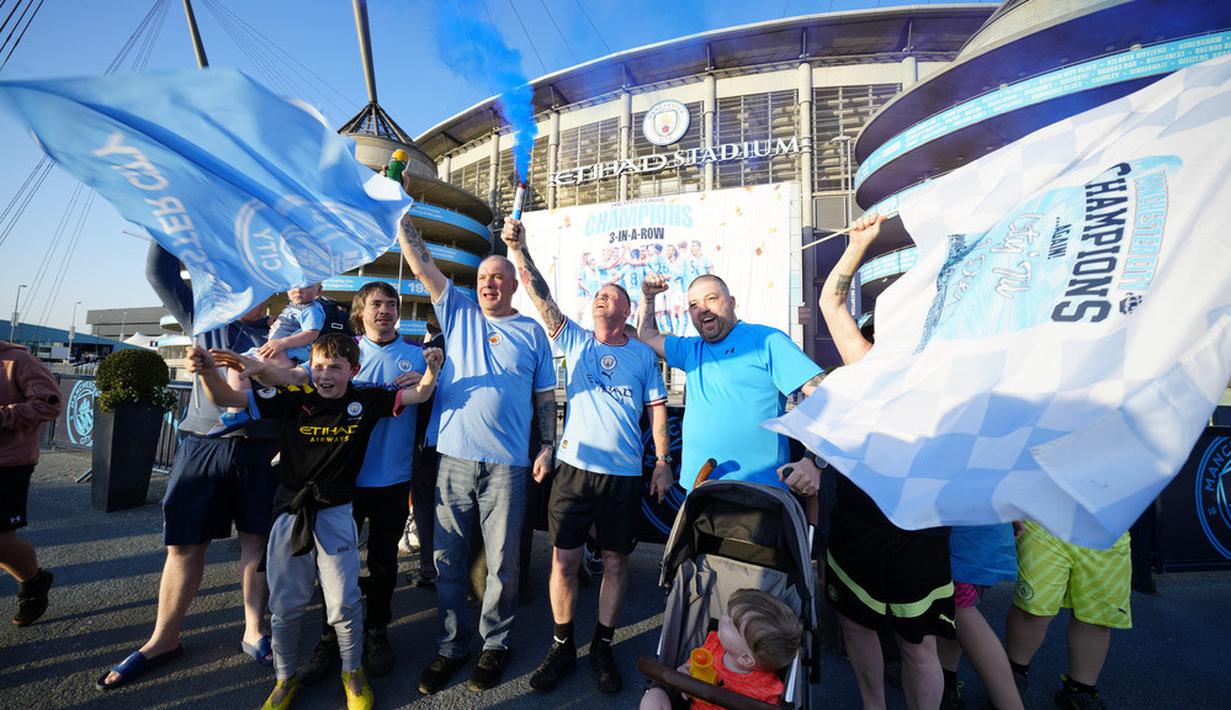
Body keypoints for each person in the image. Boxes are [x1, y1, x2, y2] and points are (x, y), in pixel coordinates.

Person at [188, 334, 441, 710]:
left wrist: (432, 370)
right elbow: (226, 399)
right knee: (287, 605)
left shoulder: (366, 400)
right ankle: (284, 678)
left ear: (352, 371)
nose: (325, 375)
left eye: (335, 368)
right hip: (290, 511)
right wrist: (209, 373)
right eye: (319, 367)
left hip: (338, 514)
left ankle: (352, 673)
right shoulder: (293, 400)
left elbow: (418, 395)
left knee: (344, 603)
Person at [98, 244, 281, 690]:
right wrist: (171, 200)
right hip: (203, 445)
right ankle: (164, 638)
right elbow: (158, 269)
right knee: (183, 545)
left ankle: (254, 631)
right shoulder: (206, 317)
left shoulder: (291, 331)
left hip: (263, 450)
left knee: (256, 544)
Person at [501, 218, 672, 694]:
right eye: (598, 293)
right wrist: (520, 250)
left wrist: (661, 461)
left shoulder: (641, 355)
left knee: (616, 563)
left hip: (622, 476)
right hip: (574, 472)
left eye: (612, 294)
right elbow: (539, 296)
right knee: (562, 562)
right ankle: (561, 645)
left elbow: (657, 415)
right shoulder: (573, 339)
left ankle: (601, 644)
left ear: (625, 309)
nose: (602, 297)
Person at [396, 209, 557, 694]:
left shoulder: (531, 333)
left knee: (504, 565)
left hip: (509, 466)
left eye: (498, 278)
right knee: (448, 559)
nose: (489, 284)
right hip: (454, 461)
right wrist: (398, 210)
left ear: (511, 285)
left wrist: (548, 444)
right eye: (483, 278)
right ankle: (451, 646)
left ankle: (495, 646)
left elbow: (544, 397)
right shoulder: (458, 310)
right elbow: (422, 263)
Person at [817, 212, 955, 710]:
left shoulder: (949, 368)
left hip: (919, 524)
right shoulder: (869, 363)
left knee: (918, 645)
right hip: (860, 518)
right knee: (856, 625)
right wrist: (858, 245)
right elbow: (830, 302)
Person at [636, 272, 824, 498]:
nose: (703, 308)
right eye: (694, 304)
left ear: (732, 303)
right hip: (698, 487)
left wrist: (814, 461)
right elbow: (647, 336)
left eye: (711, 298)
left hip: (758, 492)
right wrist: (648, 298)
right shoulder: (691, 349)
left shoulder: (766, 340)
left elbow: (826, 396)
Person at [1005, 522, 1131, 710]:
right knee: (1032, 610)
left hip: (1107, 526)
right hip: (1044, 520)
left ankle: (1080, 690)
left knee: (1097, 617)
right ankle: (1012, 675)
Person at [639, 588, 803, 710]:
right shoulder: (714, 645)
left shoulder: (768, 690)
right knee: (654, 696)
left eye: (731, 622)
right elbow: (691, 666)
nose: (723, 618)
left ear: (745, 658)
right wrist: (684, 674)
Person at [0, 339, 62, 627]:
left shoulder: (18, 360)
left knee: (1, 542)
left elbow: (50, 404)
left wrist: (3, 416)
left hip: (9, 464)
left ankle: (34, 581)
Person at [939, 524, 1022, 710]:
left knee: (958, 608)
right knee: (950, 608)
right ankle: (946, 685)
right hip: (979, 528)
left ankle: (1011, 705)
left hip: (958, 530)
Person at [257, 284, 325, 366]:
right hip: (280, 348)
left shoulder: (311, 310)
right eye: (294, 285)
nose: (298, 290)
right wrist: (278, 318)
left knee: (262, 361)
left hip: (293, 351)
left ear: (318, 290)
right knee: (249, 356)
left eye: (307, 286)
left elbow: (311, 334)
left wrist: (282, 342)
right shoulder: (294, 305)